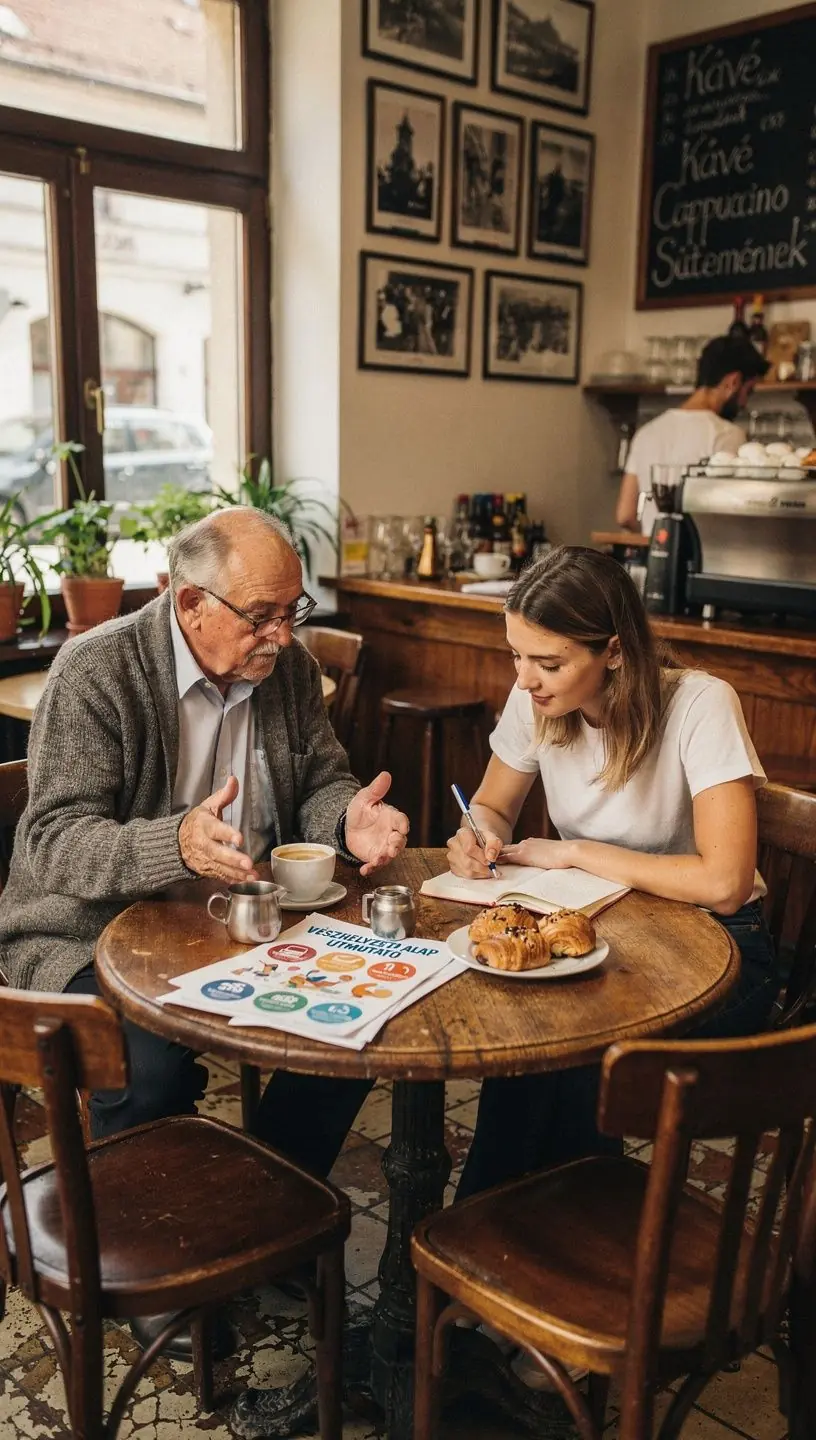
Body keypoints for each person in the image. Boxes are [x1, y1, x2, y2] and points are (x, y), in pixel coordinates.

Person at [0, 506, 406, 1175]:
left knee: (359, 1023)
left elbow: (321, 783)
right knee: (149, 1069)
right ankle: (142, 1238)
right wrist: (177, 844)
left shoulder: (289, 671)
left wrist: (345, 821)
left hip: (242, 921)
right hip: (87, 930)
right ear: (190, 602)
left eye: (292, 610)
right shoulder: (97, 670)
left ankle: (267, 1201)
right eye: (260, 615)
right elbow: (53, 841)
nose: (281, 634)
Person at [448, 545, 779, 1204]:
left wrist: (576, 853)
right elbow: (492, 804)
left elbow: (726, 882)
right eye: (515, 654)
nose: (525, 680)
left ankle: (520, 1230)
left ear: (616, 652)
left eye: (548, 662)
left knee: (573, 1048)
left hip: (722, 944)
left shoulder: (702, 704)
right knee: (532, 1029)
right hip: (609, 925)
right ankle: (515, 1232)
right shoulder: (535, 700)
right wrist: (477, 831)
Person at [616, 334, 770, 537]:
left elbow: (625, 515)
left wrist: (654, 537)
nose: (744, 403)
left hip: (650, 560)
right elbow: (732, 517)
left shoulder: (647, 432)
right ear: (733, 382)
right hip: (699, 560)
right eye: (748, 392)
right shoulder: (727, 434)